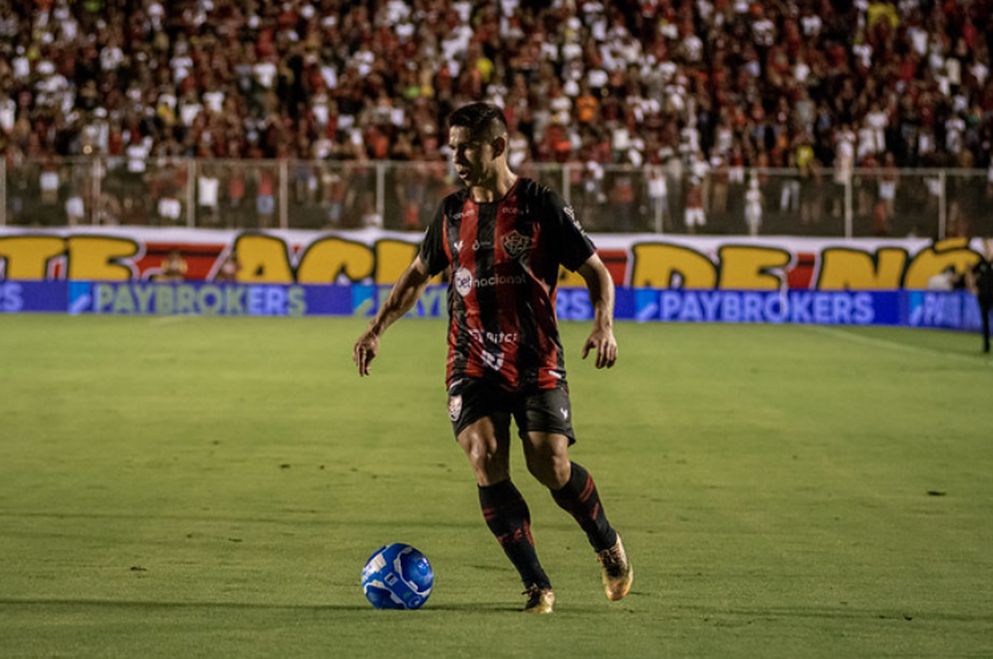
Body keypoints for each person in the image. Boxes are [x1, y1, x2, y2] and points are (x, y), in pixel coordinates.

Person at [351, 102, 632, 614]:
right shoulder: (451, 212)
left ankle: (606, 542)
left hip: (534, 357)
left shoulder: (540, 203)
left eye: (466, 147)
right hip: (471, 358)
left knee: (549, 462)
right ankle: (537, 584)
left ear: (498, 147)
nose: (455, 156)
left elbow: (597, 271)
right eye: (452, 146)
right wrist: (377, 329)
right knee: (484, 457)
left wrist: (604, 324)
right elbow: (416, 276)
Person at [967, 239, 993, 353]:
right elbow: (970, 272)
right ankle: (986, 345)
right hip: (982, 295)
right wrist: (972, 286)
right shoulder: (981, 262)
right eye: (986, 246)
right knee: (985, 320)